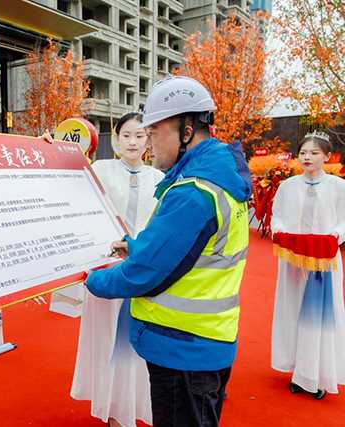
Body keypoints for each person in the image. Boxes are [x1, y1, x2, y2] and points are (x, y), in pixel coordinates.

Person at [84, 76, 252, 427]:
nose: (149, 144)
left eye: (154, 132)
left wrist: (91, 278)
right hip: (207, 339)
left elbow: (144, 273)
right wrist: (134, 246)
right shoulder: (220, 179)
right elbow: (189, 251)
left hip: (181, 348)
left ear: (186, 131)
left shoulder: (193, 192)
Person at [70, 112, 163, 427]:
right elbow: (69, 189)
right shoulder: (99, 170)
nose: (133, 142)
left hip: (145, 270)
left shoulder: (159, 179)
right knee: (108, 338)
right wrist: (51, 147)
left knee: (140, 339)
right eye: (126, 135)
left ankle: (135, 403)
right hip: (108, 269)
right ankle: (112, 406)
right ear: (116, 138)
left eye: (139, 135)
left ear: (148, 139)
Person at [270, 131, 345, 399]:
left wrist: (334, 236)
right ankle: (297, 370)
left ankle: (317, 375)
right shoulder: (287, 186)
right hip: (293, 261)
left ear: (327, 156)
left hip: (324, 262)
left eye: (314, 153)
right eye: (303, 152)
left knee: (320, 317)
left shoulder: (338, 187)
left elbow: (343, 221)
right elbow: (277, 217)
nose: (307, 157)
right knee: (291, 311)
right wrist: (279, 232)